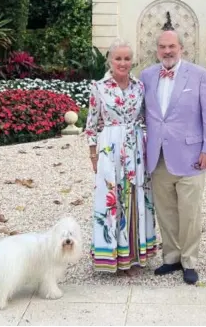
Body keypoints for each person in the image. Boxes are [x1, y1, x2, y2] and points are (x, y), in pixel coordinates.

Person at [140, 29, 206, 284]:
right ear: (157, 50)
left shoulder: (199, 75)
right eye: (162, 47)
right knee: (166, 212)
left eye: (171, 46)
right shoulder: (147, 76)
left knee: (189, 212)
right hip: (158, 156)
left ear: (181, 48)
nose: (167, 51)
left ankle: (189, 261)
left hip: (191, 155)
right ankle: (171, 257)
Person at [85, 39, 157, 276]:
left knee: (136, 197)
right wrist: (93, 154)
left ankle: (133, 258)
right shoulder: (99, 87)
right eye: (118, 58)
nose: (123, 63)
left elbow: (147, 120)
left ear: (132, 60)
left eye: (127, 58)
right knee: (112, 200)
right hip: (110, 148)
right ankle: (111, 258)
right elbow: (91, 125)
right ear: (110, 60)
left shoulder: (140, 87)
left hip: (135, 147)